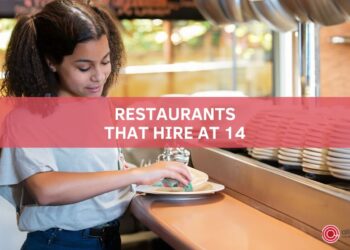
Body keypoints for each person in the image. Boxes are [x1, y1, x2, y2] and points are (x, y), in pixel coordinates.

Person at [0, 1, 191, 249]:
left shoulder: (98, 106)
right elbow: (45, 189)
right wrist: (136, 174)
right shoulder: (28, 118)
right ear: (51, 61)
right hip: (60, 243)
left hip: (109, 238)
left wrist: (153, 176)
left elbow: (97, 169)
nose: (99, 76)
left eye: (105, 61)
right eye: (84, 67)